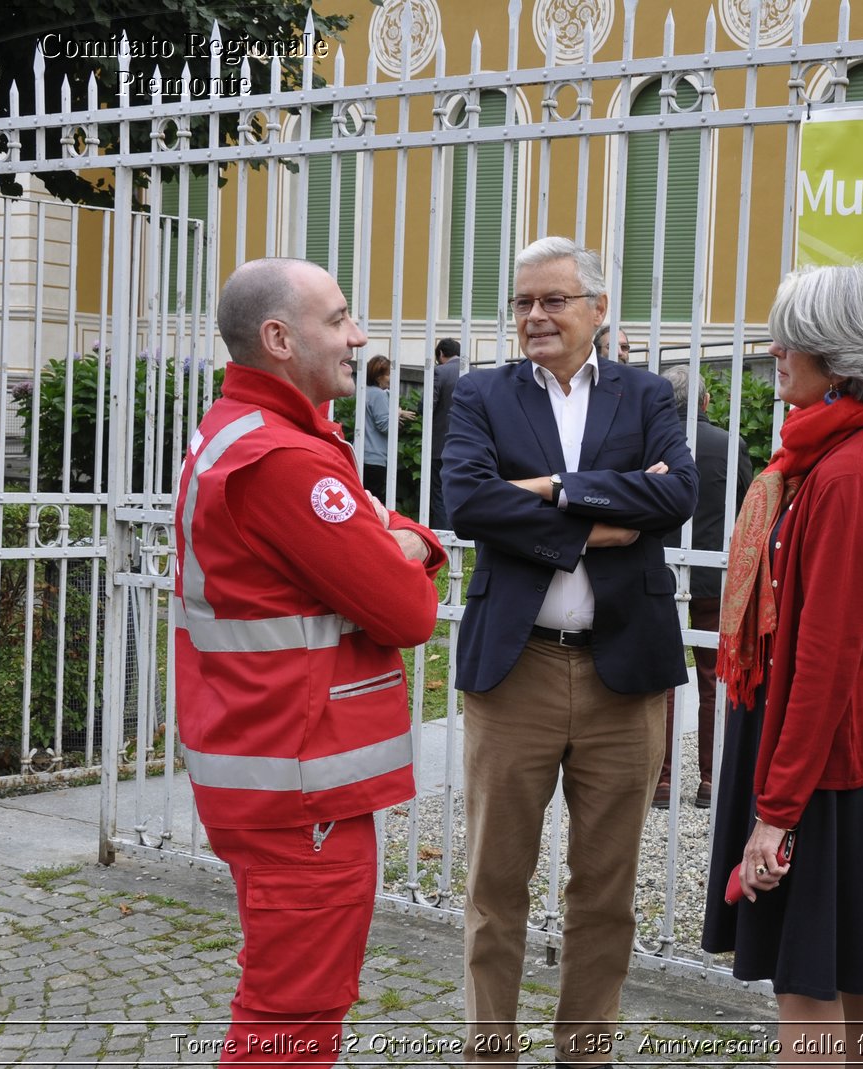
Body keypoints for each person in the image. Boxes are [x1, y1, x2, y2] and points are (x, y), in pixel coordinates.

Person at [173, 258, 446, 1066]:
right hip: (301, 785)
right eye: (339, 318)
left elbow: (370, 533)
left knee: (292, 1003)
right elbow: (407, 613)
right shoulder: (287, 460)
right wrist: (408, 546)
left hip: (273, 767)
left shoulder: (251, 432)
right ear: (280, 338)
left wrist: (394, 541)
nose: (358, 335)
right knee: (293, 1018)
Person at [441, 237, 697, 1065]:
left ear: (597, 308)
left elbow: (678, 495)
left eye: (552, 300)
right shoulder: (480, 393)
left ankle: (585, 1053)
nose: (533, 317)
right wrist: (602, 518)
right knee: (494, 886)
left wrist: (552, 490)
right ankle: (491, 1052)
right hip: (516, 672)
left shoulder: (649, 393)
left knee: (606, 891)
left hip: (624, 675)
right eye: (521, 302)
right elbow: (468, 501)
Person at [702, 263, 863, 1067]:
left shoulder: (844, 473)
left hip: (820, 771)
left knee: (809, 988)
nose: (774, 348)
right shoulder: (854, 452)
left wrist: (776, 811)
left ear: (843, 354)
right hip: (850, 761)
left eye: (791, 336)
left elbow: (823, 661)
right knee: (861, 967)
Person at [654, 364, 754, 810]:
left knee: (663, 678)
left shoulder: (650, 442)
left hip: (660, 573)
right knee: (715, 677)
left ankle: (660, 780)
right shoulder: (730, 445)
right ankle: (712, 780)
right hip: (715, 574)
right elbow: (747, 508)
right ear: (706, 402)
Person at [360, 354, 414, 500]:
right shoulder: (379, 395)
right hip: (375, 458)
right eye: (389, 374)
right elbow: (386, 427)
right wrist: (396, 413)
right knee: (373, 502)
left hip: (362, 455)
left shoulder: (365, 392)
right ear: (379, 377)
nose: (391, 378)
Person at [428, 337, 461, 527]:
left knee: (439, 491)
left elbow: (428, 405)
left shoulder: (440, 372)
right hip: (469, 445)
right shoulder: (474, 373)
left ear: (441, 354)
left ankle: (444, 533)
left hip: (440, 443)